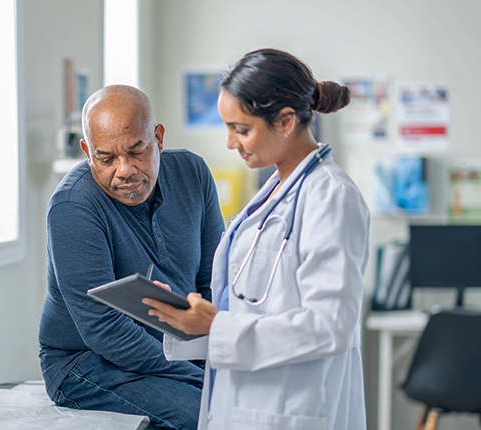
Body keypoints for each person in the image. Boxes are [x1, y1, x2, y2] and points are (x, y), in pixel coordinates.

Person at [144, 49, 370, 430]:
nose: (231, 143)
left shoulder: (331, 196)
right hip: (246, 400)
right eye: (228, 128)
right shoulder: (272, 192)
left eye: (241, 129)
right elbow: (254, 309)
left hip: (295, 408)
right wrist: (195, 323)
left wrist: (218, 327)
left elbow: (329, 325)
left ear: (285, 121)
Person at [38, 84, 225, 430]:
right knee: (204, 416)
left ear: (158, 138)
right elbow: (103, 327)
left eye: (137, 151)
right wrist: (197, 376)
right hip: (86, 361)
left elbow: (213, 282)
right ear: (87, 151)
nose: (124, 170)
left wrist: (218, 358)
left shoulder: (193, 174)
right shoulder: (73, 207)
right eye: (106, 158)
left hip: (178, 347)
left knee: (242, 404)